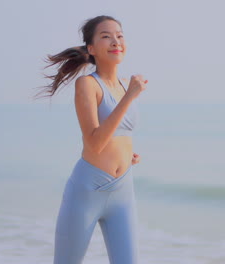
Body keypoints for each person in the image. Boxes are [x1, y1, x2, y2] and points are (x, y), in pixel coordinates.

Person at [35, 15, 147, 264]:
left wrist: (126, 154)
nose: (115, 41)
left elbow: (118, 132)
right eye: (106, 36)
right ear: (92, 49)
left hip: (123, 191)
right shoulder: (87, 85)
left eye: (119, 35)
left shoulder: (125, 84)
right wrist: (129, 97)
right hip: (87, 191)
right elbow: (94, 143)